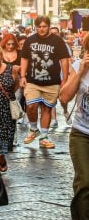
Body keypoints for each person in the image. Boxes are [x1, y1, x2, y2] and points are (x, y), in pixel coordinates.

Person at [58, 33, 89, 220]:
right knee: (85, 181)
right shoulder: (79, 66)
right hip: (82, 133)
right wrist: (80, 72)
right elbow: (65, 96)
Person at [19, 15, 71, 149]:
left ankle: (44, 136)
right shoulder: (30, 40)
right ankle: (33, 129)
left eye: (44, 26)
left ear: (48, 26)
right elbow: (24, 58)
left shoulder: (57, 40)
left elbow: (64, 59)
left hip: (52, 81)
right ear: (35, 27)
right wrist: (23, 76)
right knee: (31, 106)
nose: (41, 29)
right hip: (32, 80)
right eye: (39, 27)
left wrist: (64, 79)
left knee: (47, 108)